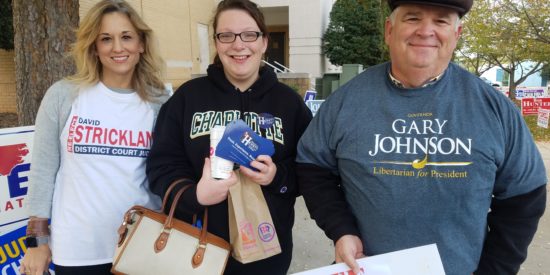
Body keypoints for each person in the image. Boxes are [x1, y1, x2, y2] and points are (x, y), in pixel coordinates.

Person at [296, 0, 547, 274]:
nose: (426, 31)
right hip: (365, 268)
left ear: (457, 35)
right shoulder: (345, 101)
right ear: (389, 30)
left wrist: (494, 270)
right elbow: (313, 166)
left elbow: (525, 196)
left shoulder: (494, 109)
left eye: (440, 21)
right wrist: (341, 230)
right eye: (413, 18)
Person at [146, 0, 312, 274]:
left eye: (249, 34)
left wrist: (276, 177)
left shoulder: (289, 104)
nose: (238, 45)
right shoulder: (187, 99)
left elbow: (311, 170)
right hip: (196, 249)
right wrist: (194, 194)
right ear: (216, 42)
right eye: (227, 35)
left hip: (267, 253)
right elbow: (161, 167)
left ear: (264, 41)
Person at [20, 1, 168, 274]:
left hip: (141, 247)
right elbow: (42, 172)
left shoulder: (160, 101)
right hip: (78, 251)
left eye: (126, 37)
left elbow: (167, 170)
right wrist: (36, 242)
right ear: (94, 47)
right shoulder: (64, 96)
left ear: (141, 44)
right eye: (106, 39)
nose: (117, 48)